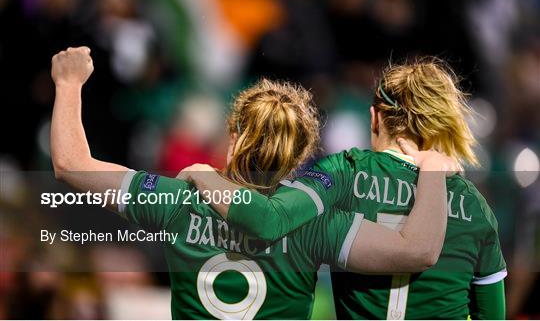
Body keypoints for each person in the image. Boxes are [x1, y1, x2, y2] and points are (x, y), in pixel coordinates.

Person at [50, 47, 455, 319]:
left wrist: (69, 84)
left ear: (232, 135)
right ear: (299, 157)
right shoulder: (317, 224)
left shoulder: (177, 200)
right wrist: (432, 169)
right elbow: (418, 251)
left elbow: (70, 164)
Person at [178, 58, 507, 319]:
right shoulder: (475, 207)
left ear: (375, 118)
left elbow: (268, 220)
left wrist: (204, 175)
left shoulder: (344, 172)